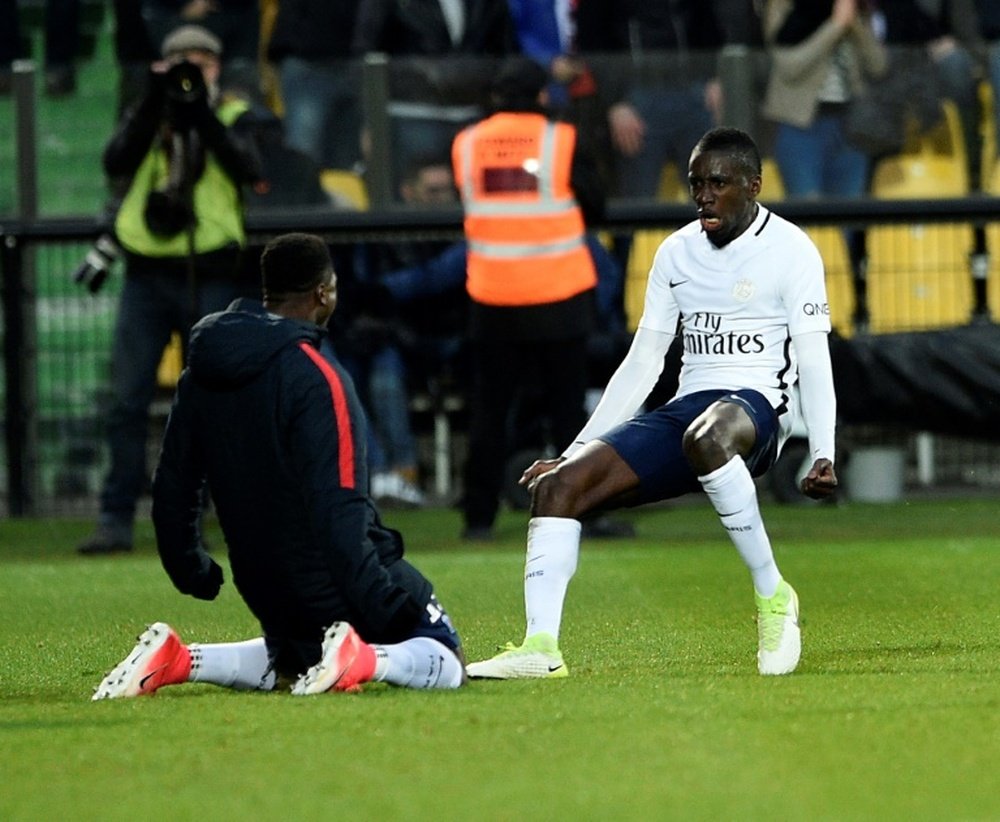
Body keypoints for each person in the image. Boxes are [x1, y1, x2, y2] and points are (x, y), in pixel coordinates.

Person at [466, 127, 839, 680]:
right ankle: (540, 648)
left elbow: (813, 357)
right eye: (696, 184)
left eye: (718, 183)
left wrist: (823, 450)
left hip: (758, 410)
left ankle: (773, 595)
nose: (704, 195)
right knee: (558, 488)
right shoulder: (675, 252)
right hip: (690, 410)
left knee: (708, 436)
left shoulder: (792, 250)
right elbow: (643, 363)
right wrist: (574, 451)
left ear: (754, 186)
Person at [91, 232, 466, 699]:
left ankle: (183, 659)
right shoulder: (318, 377)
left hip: (265, 587)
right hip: (336, 582)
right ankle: (363, 655)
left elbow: (173, 485)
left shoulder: (201, 372)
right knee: (446, 655)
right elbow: (340, 514)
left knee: (295, 659)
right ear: (324, 293)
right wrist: (387, 606)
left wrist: (191, 568)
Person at [77, 24, 262, 555]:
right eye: (181, 62)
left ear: (218, 68)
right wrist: (153, 103)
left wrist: (199, 110)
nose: (191, 72)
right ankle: (115, 518)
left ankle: (223, 515)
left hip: (212, 269)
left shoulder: (232, 115)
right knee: (126, 399)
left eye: (201, 62)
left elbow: (250, 168)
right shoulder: (144, 115)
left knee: (216, 402)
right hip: (146, 272)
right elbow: (115, 162)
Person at [451, 56, 605, 541]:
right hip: (559, 294)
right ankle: (582, 513)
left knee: (490, 413)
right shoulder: (561, 140)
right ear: (542, 96)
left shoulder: (468, 143)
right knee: (568, 415)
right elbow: (595, 203)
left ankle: (478, 518)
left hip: (492, 296)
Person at [266, 0, 364, 171]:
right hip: (309, 62)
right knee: (303, 153)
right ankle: (301, 196)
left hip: (356, 64)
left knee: (348, 157)